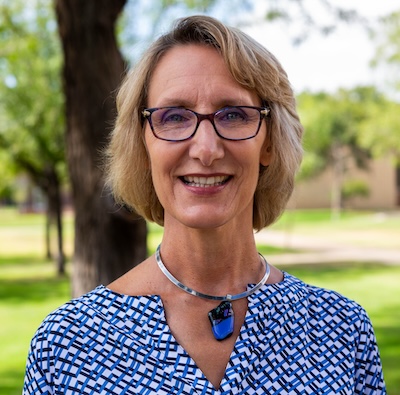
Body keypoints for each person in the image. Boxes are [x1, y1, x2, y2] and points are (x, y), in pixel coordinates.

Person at [23, 15, 386, 394]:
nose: (206, 150)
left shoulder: (341, 332)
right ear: (144, 144)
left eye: (233, 114)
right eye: (174, 117)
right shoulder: (67, 346)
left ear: (269, 142)